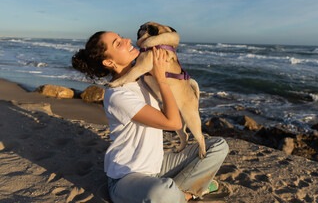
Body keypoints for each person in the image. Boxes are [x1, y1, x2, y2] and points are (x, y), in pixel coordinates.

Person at [72, 31, 228, 203]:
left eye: (121, 37)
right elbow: (172, 122)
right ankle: (187, 193)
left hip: (157, 164)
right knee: (161, 192)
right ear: (109, 62)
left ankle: (177, 192)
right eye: (118, 43)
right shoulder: (118, 94)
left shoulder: (144, 79)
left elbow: (176, 101)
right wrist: (162, 79)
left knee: (218, 146)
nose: (127, 40)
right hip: (127, 177)